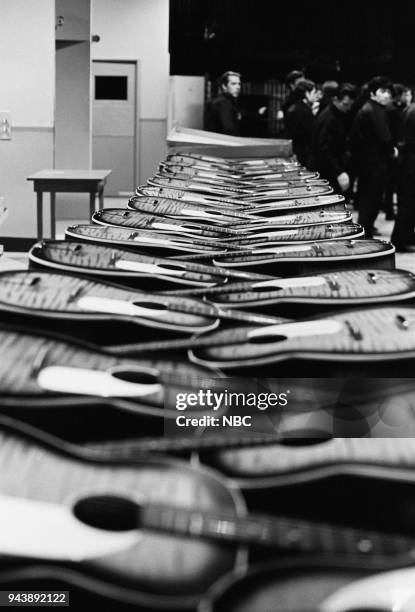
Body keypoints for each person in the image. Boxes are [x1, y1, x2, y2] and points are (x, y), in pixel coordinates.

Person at [350, 76, 397, 238]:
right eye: (382, 91)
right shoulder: (374, 110)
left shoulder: (370, 107)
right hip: (373, 164)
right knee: (371, 200)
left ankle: (366, 228)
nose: (387, 95)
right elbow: (385, 138)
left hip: (367, 163)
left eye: (388, 92)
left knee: (368, 200)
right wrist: (393, 151)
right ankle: (365, 233)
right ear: (372, 92)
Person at [311, 83, 356, 193]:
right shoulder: (329, 119)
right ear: (335, 99)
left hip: (331, 169)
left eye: (351, 105)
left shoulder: (337, 114)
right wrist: (338, 172)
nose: (349, 108)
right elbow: (324, 149)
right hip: (327, 172)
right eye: (345, 104)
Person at [391, 102, 415, 252]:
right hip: (411, 161)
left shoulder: (410, 108)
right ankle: (399, 240)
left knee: (408, 202)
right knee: (408, 202)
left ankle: (405, 236)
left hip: (407, 160)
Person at [285, 78, 317, 166]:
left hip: (297, 151)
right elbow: (311, 132)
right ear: (306, 93)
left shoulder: (297, 107)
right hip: (303, 154)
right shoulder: (303, 110)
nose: (316, 96)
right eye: (314, 93)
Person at [205, 71, 243, 136]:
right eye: (233, 84)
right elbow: (228, 129)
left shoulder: (224, 101)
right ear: (224, 86)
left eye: (239, 84)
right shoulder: (224, 103)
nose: (238, 87)